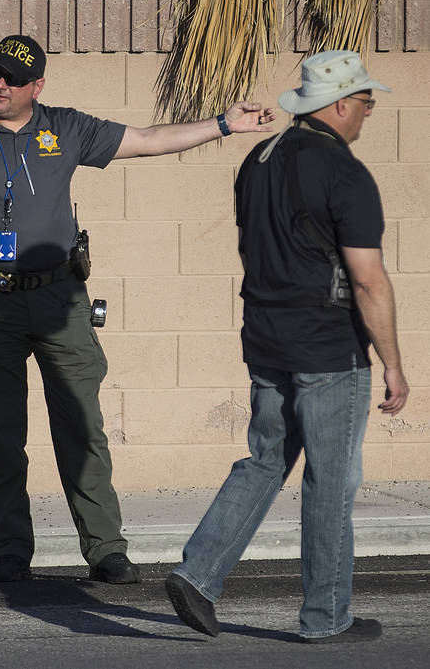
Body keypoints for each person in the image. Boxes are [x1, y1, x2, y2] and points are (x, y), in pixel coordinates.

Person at [0, 34, 275, 585]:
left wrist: (222, 124)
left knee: (81, 424)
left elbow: (146, 140)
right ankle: (11, 551)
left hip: (60, 299)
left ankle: (104, 549)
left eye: (12, 77)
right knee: (0, 433)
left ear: (37, 87)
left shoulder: (66, 128)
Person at [164, 50, 408, 643]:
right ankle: (326, 617)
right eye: (366, 104)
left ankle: (198, 574)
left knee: (266, 460)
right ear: (341, 103)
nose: (367, 115)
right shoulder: (345, 173)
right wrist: (394, 363)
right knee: (330, 478)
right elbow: (368, 279)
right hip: (327, 347)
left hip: (267, 339)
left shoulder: (260, 158)